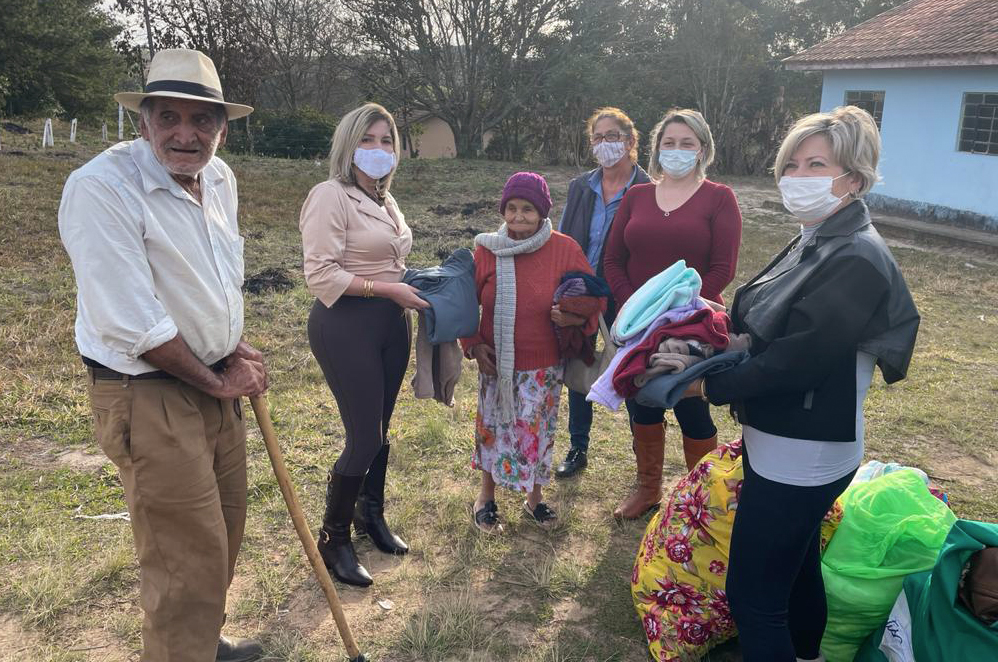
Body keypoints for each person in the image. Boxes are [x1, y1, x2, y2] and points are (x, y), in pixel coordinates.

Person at [683, 106, 920, 662]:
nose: (797, 175)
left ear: (853, 179)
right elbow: (767, 323)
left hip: (803, 452)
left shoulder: (855, 254)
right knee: (796, 571)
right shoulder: (818, 236)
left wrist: (705, 388)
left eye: (817, 164)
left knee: (754, 597)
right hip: (792, 440)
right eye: (792, 163)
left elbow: (797, 362)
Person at [58, 49, 267, 662]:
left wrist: (230, 345)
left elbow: (213, 278)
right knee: (183, 554)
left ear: (221, 128)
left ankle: (196, 644)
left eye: (203, 120)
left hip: (209, 376)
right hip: (147, 391)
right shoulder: (101, 189)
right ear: (142, 121)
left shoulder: (220, 178)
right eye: (169, 117)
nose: (186, 134)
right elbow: (133, 321)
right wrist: (217, 377)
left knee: (223, 532)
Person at [300, 103, 428, 588]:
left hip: (391, 325)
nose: (378, 150)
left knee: (381, 428)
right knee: (364, 437)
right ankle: (333, 539)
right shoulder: (328, 196)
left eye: (387, 141)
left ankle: (369, 516)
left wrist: (413, 284)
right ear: (348, 146)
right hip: (346, 324)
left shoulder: (385, 201)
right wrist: (387, 288)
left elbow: (391, 260)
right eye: (368, 140)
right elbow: (321, 273)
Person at [602, 108, 742, 519]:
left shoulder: (719, 198)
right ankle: (648, 490)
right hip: (635, 323)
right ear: (656, 148)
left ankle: (700, 496)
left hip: (690, 325)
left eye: (686, 143)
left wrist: (678, 315)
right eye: (669, 143)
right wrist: (636, 308)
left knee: (690, 406)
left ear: (702, 150)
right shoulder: (637, 196)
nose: (676, 150)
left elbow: (722, 267)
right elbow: (613, 258)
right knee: (642, 400)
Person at [461, 173, 603, 533]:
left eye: (527, 209)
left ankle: (535, 498)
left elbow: (594, 298)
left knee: (537, 431)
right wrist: (474, 344)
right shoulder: (487, 248)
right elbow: (464, 303)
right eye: (511, 208)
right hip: (496, 363)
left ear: (542, 212)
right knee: (491, 429)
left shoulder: (565, 248)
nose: (518, 216)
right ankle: (485, 498)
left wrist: (571, 316)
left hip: (544, 363)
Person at [554, 107, 650, 479]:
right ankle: (578, 448)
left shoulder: (647, 190)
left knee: (632, 370)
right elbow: (564, 239)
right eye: (598, 137)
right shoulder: (581, 186)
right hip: (582, 290)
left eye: (613, 136)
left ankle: (643, 459)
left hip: (626, 293)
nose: (605, 144)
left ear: (630, 141)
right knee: (581, 364)